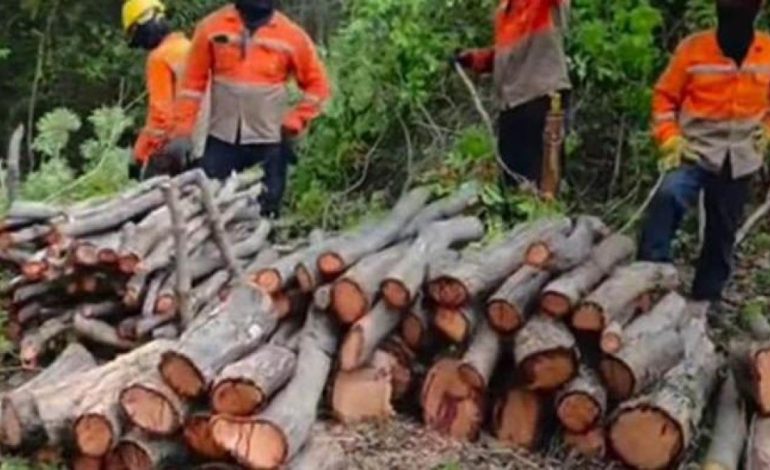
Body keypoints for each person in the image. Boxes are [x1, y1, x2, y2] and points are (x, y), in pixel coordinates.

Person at [639, 0, 770, 307]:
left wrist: (766, 131)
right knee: (668, 196)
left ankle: (706, 298)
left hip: (741, 155)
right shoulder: (693, 49)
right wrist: (669, 138)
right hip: (693, 149)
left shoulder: (766, 52)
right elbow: (663, 98)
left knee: (723, 229)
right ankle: (650, 276)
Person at [167, 0, 331, 217]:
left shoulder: (292, 36)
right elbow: (191, 86)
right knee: (209, 207)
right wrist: (182, 131)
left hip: (269, 142)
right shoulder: (212, 27)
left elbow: (319, 86)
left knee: (266, 209)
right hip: (222, 141)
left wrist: (296, 120)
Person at [454, 0, 571, 193]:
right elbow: (506, 55)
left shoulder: (541, 6)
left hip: (541, 96)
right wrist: (475, 59)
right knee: (512, 181)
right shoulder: (505, 11)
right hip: (513, 103)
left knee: (543, 181)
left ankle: (547, 217)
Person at [122, 0, 191, 178]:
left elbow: (161, 118)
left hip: (181, 142)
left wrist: (138, 156)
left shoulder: (159, 58)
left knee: (151, 186)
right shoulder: (188, 47)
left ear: (141, 28)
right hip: (212, 139)